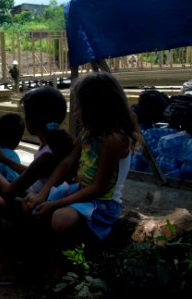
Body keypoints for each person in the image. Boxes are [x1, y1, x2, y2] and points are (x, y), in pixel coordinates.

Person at [25, 72, 142, 279]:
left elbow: (99, 188)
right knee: (31, 205)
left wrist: (54, 204)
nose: (76, 112)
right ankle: (45, 260)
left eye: (79, 106)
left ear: (95, 107)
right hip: (80, 193)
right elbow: (66, 163)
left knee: (60, 218)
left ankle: (62, 270)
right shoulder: (89, 132)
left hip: (101, 203)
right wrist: (43, 194)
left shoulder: (114, 140)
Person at [0, 86, 74, 284]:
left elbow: (9, 190)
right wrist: (4, 160)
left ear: (32, 119)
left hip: (41, 213)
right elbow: (35, 173)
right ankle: (2, 251)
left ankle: (8, 265)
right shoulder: (54, 144)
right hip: (43, 204)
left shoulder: (48, 152)